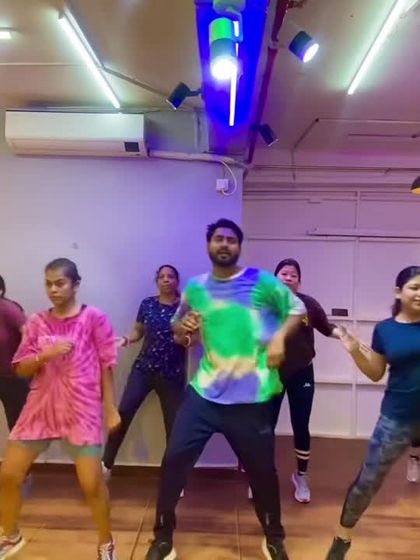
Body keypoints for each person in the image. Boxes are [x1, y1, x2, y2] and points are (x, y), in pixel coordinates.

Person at [144, 218, 306, 560]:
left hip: (251, 400)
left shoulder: (261, 281)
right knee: (173, 461)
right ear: (209, 244)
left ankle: (273, 537)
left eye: (231, 240)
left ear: (239, 246)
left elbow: (297, 309)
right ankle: (162, 538)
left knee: (263, 473)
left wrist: (279, 338)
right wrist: (184, 327)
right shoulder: (196, 288)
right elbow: (178, 328)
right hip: (204, 394)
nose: (224, 244)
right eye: (218, 238)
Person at [0, 258, 121, 560]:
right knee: (9, 475)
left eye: (60, 283)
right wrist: (46, 354)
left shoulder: (94, 318)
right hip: (41, 407)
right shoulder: (37, 322)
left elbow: (107, 365)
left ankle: (106, 543)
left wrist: (110, 408)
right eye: (48, 284)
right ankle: (10, 535)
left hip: (82, 409)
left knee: (91, 484)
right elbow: (21, 368)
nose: (53, 289)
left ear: (75, 284)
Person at [326, 265, 420, 560]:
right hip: (397, 416)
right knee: (368, 481)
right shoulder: (385, 330)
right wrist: (354, 350)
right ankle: (342, 538)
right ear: (398, 292)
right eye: (415, 287)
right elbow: (376, 372)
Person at [102, 265, 188, 479]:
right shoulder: (147, 304)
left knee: (174, 426)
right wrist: (126, 339)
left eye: (170, 276)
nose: (166, 280)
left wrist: (185, 338)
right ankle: (106, 465)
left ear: (177, 281)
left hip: (172, 374)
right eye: (162, 277)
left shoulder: (185, 308)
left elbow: (191, 337)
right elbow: (138, 330)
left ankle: (174, 477)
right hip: (143, 369)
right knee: (123, 414)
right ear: (157, 281)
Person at [272, 259, 341, 503]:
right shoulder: (264, 304)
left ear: (298, 282)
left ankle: (301, 476)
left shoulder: (308, 304)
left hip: (302, 372)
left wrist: (344, 335)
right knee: (265, 425)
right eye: (284, 273)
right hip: (271, 373)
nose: (288, 278)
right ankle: (262, 476)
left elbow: (326, 327)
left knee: (301, 425)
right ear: (275, 278)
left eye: (293, 275)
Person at [0, 276, 29, 438]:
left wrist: (21, 360)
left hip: (13, 379)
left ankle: (19, 454)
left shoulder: (9, 309)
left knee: (18, 426)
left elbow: (29, 335)